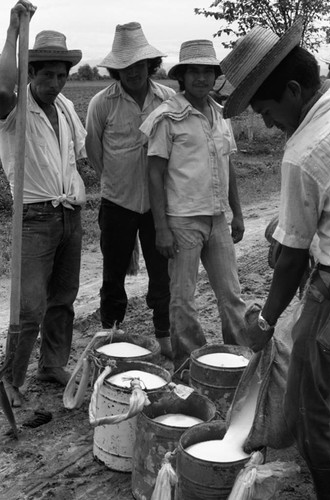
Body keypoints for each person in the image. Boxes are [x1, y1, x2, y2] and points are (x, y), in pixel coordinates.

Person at [220, 18, 330, 500]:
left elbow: (289, 260)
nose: (265, 123)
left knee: (313, 408)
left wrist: (264, 321)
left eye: (265, 110)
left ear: (291, 89)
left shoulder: (304, 150)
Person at [0, 1, 87, 407]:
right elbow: (2, 87)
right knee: (28, 306)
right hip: (32, 217)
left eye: (61, 76)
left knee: (63, 300)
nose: (55, 82)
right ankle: (10, 379)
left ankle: (52, 364)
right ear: (30, 73)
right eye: (47, 74)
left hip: (70, 214)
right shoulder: (15, 109)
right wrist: (14, 30)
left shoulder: (67, 108)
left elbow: (80, 157)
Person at [140, 39, 246, 370]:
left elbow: (228, 167)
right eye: (194, 72)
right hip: (182, 222)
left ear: (215, 77)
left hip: (217, 220)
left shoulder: (220, 116)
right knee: (183, 300)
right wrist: (161, 228)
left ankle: (238, 357)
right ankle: (190, 362)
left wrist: (237, 214)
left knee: (231, 294)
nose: (201, 78)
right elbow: (154, 174)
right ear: (182, 77)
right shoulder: (167, 117)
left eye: (207, 72)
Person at [85, 22, 175, 358]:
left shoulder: (167, 99)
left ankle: (164, 335)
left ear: (149, 65)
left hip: (158, 206)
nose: (133, 72)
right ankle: (111, 337)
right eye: (125, 66)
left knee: (162, 272)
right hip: (117, 203)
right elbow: (95, 151)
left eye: (139, 65)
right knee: (112, 276)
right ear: (116, 69)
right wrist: (116, 180)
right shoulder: (102, 103)